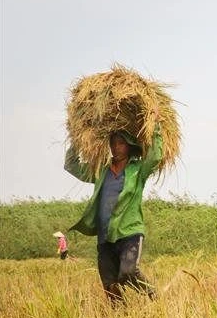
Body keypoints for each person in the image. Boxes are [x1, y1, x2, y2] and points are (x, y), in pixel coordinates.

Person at [64, 112, 162, 304]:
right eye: (113, 143)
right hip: (105, 236)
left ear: (129, 146)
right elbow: (71, 165)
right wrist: (76, 138)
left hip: (129, 232)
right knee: (110, 285)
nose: (115, 147)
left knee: (128, 272)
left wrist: (156, 126)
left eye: (121, 143)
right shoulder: (101, 170)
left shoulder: (137, 170)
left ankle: (153, 295)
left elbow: (155, 156)